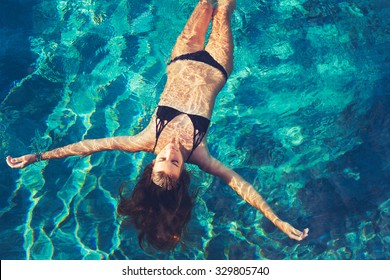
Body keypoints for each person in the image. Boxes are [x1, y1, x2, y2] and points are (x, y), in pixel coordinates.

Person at [6, 0, 309, 251]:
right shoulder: (200, 155)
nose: (171, 151)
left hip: (182, 56)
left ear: (151, 165)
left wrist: (40, 156)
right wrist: (275, 218)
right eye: (175, 161)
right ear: (183, 170)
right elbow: (241, 186)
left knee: (205, 3)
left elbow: (88, 147)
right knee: (224, 9)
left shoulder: (145, 139)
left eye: (163, 159)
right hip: (217, 64)